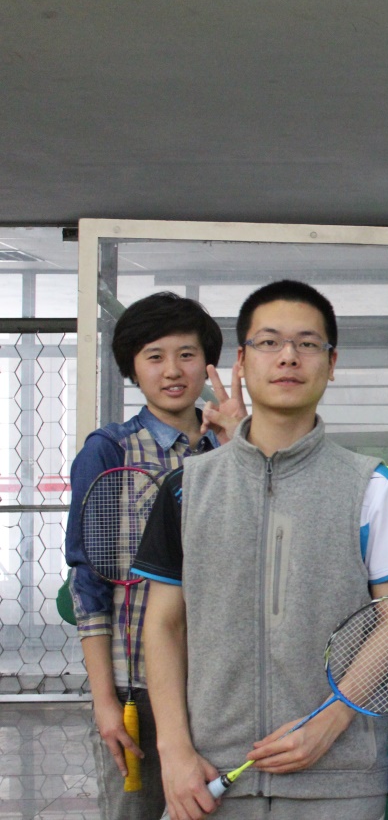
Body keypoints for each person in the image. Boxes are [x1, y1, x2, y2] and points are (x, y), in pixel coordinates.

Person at [134, 280, 388, 820]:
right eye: (269, 342)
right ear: (242, 361)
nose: (288, 356)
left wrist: (330, 721)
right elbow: (164, 624)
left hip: (339, 783)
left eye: (308, 344)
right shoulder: (186, 488)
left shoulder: (374, 486)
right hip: (210, 778)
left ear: (331, 364)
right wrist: (174, 752)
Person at [66, 291, 233, 820]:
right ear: (132, 367)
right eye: (155, 356)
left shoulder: (231, 450)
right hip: (135, 684)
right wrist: (105, 701)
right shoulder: (109, 450)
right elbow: (88, 582)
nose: (173, 370)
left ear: (207, 364)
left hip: (220, 684)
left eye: (187, 355)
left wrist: (240, 444)